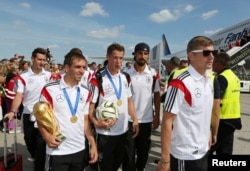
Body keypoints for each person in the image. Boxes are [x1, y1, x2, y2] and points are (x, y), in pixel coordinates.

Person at [156, 36, 218, 171]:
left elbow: (204, 112)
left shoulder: (209, 81)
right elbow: (167, 120)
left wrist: (208, 131)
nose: (212, 57)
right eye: (206, 53)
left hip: (203, 150)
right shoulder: (180, 83)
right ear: (191, 56)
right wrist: (165, 159)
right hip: (185, 155)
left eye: (214, 53)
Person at [36, 51, 98, 171]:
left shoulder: (86, 92)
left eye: (84, 67)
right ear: (67, 67)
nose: (82, 71)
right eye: (77, 67)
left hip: (79, 150)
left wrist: (93, 145)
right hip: (57, 151)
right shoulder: (50, 89)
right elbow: (40, 118)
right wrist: (46, 136)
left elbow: (85, 121)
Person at [89, 42, 139, 171]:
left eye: (121, 58)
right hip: (105, 133)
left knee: (117, 164)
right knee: (105, 167)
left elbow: (129, 101)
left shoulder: (125, 77)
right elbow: (90, 107)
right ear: (108, 57)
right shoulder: (98, 78)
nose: (118, 61)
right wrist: (96, 122)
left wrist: (135, 120)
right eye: (115, 57)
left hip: (122, 131)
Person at [4, 47, 52, 171]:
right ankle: (37, 157)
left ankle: (40, 164)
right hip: (28, 113)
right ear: (32, 59)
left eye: (44, 60)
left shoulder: (49, 75)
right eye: (39, 59)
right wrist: (12, 111)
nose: (42, 62)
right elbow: (19, 95)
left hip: (45, 115)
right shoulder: (23, 77)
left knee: (41, 145)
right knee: (29, 141)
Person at [122, 42, 161, 171]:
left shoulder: (153, 74)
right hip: (129, 120)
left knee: (143, 153)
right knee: (128, 154)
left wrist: (156, 117)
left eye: (145, 54)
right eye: (140, 53)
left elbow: (156, 96)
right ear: (135, 54)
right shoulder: (125, 74)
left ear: (148, 56)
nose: (142, 56)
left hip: (146, 120)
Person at [209, 52, 241, 155]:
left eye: (213, 62)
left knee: (206, 151)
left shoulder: (221, 78)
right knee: (225, 151)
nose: (212, 64)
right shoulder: (233, 76)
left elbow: (216, 101)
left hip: (222, 119)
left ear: (218, 64)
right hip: (233, 118)